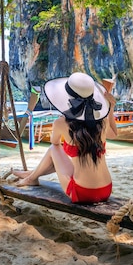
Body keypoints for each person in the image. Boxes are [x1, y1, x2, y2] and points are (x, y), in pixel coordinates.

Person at [12, 72, 117, 203]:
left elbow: (54, 143)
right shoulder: (101, 122)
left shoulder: (61, 123)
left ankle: (31, 178)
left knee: (53, 149)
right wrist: (110, 109)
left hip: (83, 193)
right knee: (61, 154)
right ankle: (31, 175)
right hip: (106, 189)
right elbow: (114, 134)